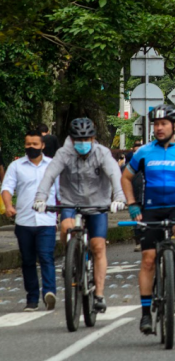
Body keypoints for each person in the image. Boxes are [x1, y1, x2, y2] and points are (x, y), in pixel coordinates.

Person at [121, 104, 175, 334]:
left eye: (163, 124)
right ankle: (146, 313)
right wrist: (131, 204)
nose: (159, 128)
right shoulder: (144, 152)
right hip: (150, 210)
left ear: (174, 126)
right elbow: (126, 178)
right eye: (156, 124)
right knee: (148, 259)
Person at [34, 117, 126, 315]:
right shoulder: (64, 153)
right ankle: (71, 259)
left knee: (98, 246)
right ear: (71, 138)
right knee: (66, 227)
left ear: (93, 138)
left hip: (97, 204)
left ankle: (99, 295)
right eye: (78, 139)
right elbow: (49, 175)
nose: (82, 143)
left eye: (87, 139)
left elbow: (114, 174)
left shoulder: (102, 153)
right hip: (70, 202)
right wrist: (40, 198)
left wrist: (118, 197)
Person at [1, 130, 58, 311]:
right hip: (24, 221)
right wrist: (9, 205)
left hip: (47, 220)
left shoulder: (53, 166)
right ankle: (31, 299)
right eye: (28, 144)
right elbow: (7, 187)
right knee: (27, 261)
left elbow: (63, 190)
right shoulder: (16, 166)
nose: (31, 147)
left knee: (46, 257)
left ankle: (49, 293)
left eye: (35, 144)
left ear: (42, 146)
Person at [126, 141, 144, 252]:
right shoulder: (129, 167)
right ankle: (138, 242)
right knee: (136, 222)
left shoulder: (148, 163)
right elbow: (125, 180)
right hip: (135, 197)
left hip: (147, 197)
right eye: (135, 151)